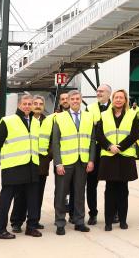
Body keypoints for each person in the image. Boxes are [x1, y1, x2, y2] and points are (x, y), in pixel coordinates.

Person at [0, 93, 42, 239]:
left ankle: (31, 227)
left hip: (31, 165)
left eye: (29, 104)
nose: (27, 106)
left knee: (33, 198)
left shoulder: (36, 122)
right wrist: (5, 162)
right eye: (24, 104)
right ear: (19, 105)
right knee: (6, 199)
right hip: (13, 167)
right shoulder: (7, 121)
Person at [50, 90, 97, 235]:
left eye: (78, 99)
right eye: (73, 99)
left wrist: (91, 159)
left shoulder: (89, 117)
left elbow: (92, 141)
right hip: (65, 162)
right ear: (68, 101)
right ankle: (60, 223)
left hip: (82, 161)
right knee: (61, 193)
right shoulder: (59, 118)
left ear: (81, 100)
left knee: (79, 193)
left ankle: (79, 221)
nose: (75, 101)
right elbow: (55, 142)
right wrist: (58, 163)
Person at [94, 88, 139, 231]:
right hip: (109, 157)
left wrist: (120, 147)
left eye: (121, 97)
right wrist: (109, 146)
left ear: (125, 100)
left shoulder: (133, 115)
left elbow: (135, 133)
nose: (118, 100)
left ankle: (122, 220)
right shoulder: (103, 115)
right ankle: (108, 222)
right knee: (110, 190)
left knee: (123, 190)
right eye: (116, 97)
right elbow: (99, 134)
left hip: (125, 156)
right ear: (112, 100)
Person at [11, 94, 50, 233]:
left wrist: (48, 156)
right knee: (21, 194)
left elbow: (52, 141)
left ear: (43, 106)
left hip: (41, 164)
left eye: (41, 103)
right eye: (35, 103)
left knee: (37, 194)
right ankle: (16, 221)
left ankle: (34, 220)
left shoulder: (48, 121)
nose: (38, 105)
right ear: (31, 105)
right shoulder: (26, 120)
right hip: (25, 163)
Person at [84, 84, 112, 225]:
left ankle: (113, 213)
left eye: (101, 91)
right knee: (91, 185)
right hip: (94, 152)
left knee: (112, 184)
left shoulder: (117, 107)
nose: (98, 93)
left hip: (110, 151)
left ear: (109, 93)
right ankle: (92, 213)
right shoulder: (90, 108)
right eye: (98, 91)